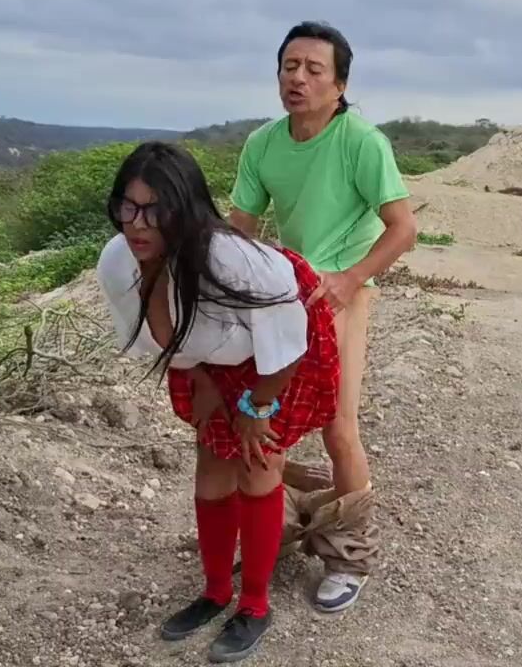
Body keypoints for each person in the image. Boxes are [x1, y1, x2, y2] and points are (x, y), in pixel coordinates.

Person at [95, 141, 342, 663]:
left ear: (184, 209)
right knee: (212, 468)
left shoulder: (235, 266)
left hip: (277, 350)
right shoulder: (119, 263)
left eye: (154, 209)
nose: (137, 224)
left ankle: (255, 604)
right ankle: (214, 591)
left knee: (256, 464)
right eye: (128, 207)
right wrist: (203, 379)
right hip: (215, 355)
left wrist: (256, 409)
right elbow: (167, 340)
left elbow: (287, 348)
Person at [228, 20, 418, 613]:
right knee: (263, 417)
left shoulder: (361, 142)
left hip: (342, 295)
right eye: (290, 66)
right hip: (285, 295)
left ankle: (349, 554)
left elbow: (403, 228)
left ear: (340, 85)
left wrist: (350, 279)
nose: (299, 78)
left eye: (314, 69)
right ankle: (278, 527)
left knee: (337, 426)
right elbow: (241, 227)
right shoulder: (263, 144)